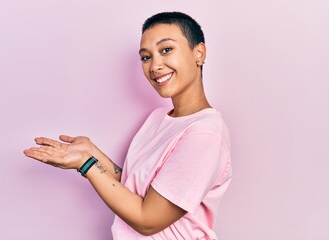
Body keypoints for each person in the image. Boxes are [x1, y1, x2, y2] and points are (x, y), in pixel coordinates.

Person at [24, 12, 232, 240]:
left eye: (166, 50)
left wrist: (87, 165)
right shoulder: (158, 117)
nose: (155, 66)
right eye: (146, 57)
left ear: (199, 53)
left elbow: (148, 220)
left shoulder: (205, 133)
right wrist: (92, 153)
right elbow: (138, 192)